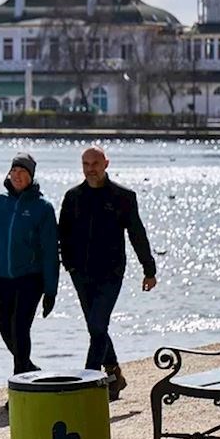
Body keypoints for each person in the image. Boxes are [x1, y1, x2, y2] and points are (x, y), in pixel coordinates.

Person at [58, 144, 157, 400]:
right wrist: (67, 263)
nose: (90, 169)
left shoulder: (123, 197)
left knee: (97, 324)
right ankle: (114, 374)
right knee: (96, 327)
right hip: (80, 272)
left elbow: (137, 234)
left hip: (111, 273)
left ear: (106, 164)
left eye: (95, 164)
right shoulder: (72, 197)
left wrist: (149, 269)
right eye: (86, 165)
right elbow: (62, 235)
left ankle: (88, 381)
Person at [0, 152, 59, 376]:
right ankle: (27, 367)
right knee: (5, 330)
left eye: (23, 172)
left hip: (31, 277)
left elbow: (50, 253)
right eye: (14, 171)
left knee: (20, 328)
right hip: (4, 277)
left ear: (31, 176)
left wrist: (50, 291)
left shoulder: (43, 208)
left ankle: (21, 380)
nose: (17, 176)